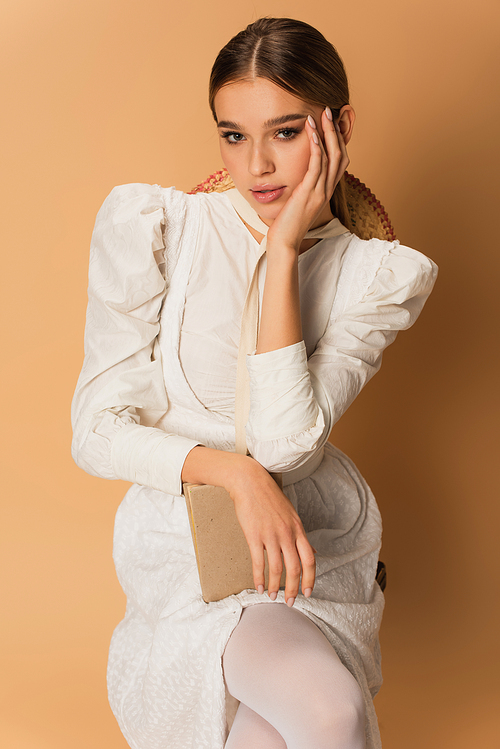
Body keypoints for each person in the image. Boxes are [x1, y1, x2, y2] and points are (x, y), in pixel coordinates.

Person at [71, 17, 438, 749]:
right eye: (234, 135)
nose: (260, 165)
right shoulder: (159, 228)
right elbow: (95, 427)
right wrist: (234, 476)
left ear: (339, 127)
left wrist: (281, 256)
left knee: (286, 733)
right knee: (329, 716)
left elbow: (285, 445)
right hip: (186, 555)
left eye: (286, 130)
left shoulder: (378, 274)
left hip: (306, 551)